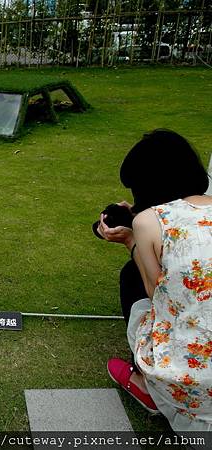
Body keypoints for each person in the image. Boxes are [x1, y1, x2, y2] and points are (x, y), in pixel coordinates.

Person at [98, 129, 212, 431]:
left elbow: (156, 293)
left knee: (133, 278)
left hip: (191, 387)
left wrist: (130, 240)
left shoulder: (149, 222)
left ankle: (146, 385)